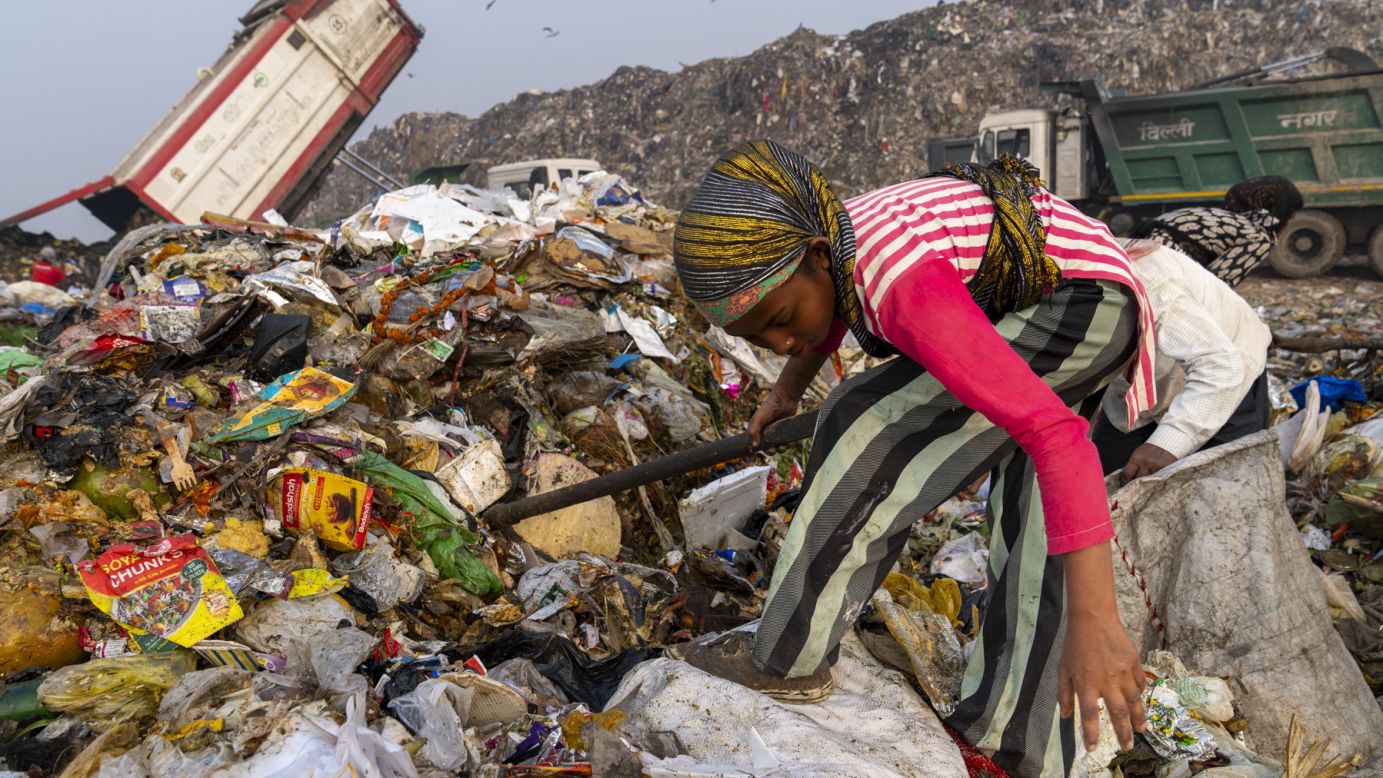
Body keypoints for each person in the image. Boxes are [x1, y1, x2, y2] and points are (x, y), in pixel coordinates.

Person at [667, 139, 1160, 777]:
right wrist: (786, 390)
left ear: (817, 257)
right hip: (1085, 294)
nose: (780, 340)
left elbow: (1059, 438)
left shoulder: (898, 281)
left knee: (868, 422)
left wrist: (1101, 623)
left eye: (781, 319)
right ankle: (1020, 745)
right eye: (756, 337)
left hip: (1074, 303)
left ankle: (787, 658)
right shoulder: (832, 244)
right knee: (1031, 507)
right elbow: (830, 311)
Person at [1092, 242, 1272, 482]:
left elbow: (1220, 366)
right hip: (1137, 390)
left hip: (1226, 370)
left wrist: (1168, 443)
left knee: (1222, 486)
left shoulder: (1146, 281)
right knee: (1108, 477)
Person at [1129, 175, 1303, 287]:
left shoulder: (1217, 216)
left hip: (1134, 258)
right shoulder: (1259, 238)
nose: (1287, 225)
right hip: (1160, 268)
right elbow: (1217, 284)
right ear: (1279, 211)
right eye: (1290, 217)